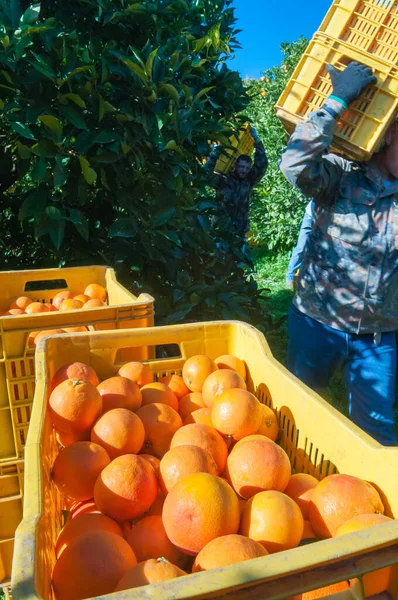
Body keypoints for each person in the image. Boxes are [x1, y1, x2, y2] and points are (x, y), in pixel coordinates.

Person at [280, 60, 398, 446]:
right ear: (389, 134)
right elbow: (294, 164)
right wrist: (338, 101)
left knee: (376, 433)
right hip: (317, 321)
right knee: (294, 416)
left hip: (378, 337)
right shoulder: (341, 173)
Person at [205, 126, 268, 237]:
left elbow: (262, 164)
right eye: (241, 167)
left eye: (247, 168)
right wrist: (214, 154)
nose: (244, 170)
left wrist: (257, 140)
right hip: (220, 230)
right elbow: (205, 175)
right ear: (235, 165)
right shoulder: (223, 180)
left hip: (240, 230)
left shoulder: (249, 181)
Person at [286, 200, 315, 290]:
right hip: (310, 215)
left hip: (327, 217)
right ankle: (290, 278)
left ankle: (310, 280)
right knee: (301, 247)